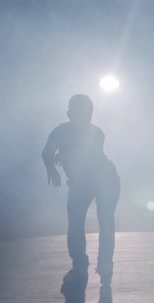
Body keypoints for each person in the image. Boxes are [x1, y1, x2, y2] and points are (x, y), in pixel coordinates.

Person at [43, 94, 120, 286]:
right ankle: (81, 261)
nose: (85, 118)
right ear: (69, 114)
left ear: (91, 114)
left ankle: (104, 264)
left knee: (104, 220)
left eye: (87, 114)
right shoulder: (60, 132)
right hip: (82, 183)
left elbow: (85, 154)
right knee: (78, 222)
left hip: (105, 179)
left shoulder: (97, 132)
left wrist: (63, 155)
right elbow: (47, 152)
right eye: (81, 114)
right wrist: (51, 166)